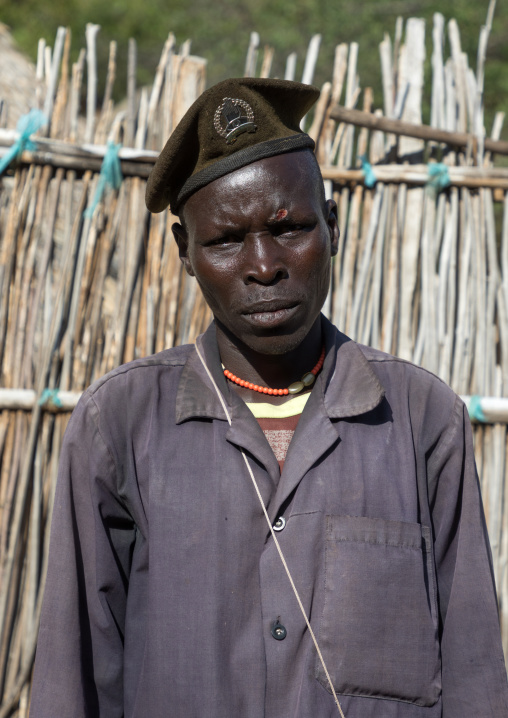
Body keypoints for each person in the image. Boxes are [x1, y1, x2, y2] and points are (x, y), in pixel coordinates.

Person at [30, 78, 508, 718]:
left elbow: (475, 675)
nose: (263, 264)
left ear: (332, 228)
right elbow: (74, 678)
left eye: (291, 228)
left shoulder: (422, 420)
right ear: (185, 253)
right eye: (226, 240)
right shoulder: (117, 427)